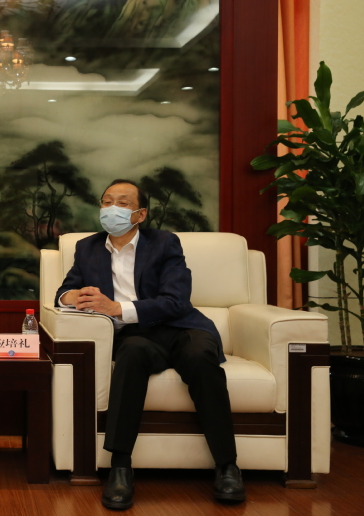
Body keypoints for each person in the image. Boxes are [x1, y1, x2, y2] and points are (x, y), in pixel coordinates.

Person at [55, 179, 245, 510]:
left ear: (140, 214)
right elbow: (64, 292)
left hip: (181, 327)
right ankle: (120, 466)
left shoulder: (164, 243)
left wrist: (117, 308)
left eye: (123, 203)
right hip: (135, 336)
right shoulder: (87, 248)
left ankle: (227, 465)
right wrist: (73, 296)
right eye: (107, 202)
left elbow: (175, 301)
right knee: (131, 354)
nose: (112, 209)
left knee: (200, 357)